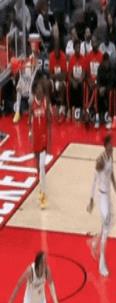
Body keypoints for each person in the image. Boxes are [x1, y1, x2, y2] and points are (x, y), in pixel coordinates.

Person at [87, 135, 116, 277]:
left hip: (108, 196)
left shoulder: (110, 156)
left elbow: (111, 174)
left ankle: (94, 243)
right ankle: (101, 264)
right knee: (106, 229)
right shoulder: (100, 160)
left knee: (111, 221)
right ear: (106, 145)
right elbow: (94, 180)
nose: (113, 146)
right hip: (101, 197)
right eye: (111, 144)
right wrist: (91, 200)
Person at [29, 80, 51, 210]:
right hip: (35, 138)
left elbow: (49, 121)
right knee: (38, 166)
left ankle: (43, 196)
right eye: (38, 89)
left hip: (43, 137)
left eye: (42, 90)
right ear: (35, 91)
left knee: (42, 167)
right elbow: (30, 118)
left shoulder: (45, 102)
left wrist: (49, 140)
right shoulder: (32, 103)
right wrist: (30, 132)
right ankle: (40, 183)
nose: (40, 91)